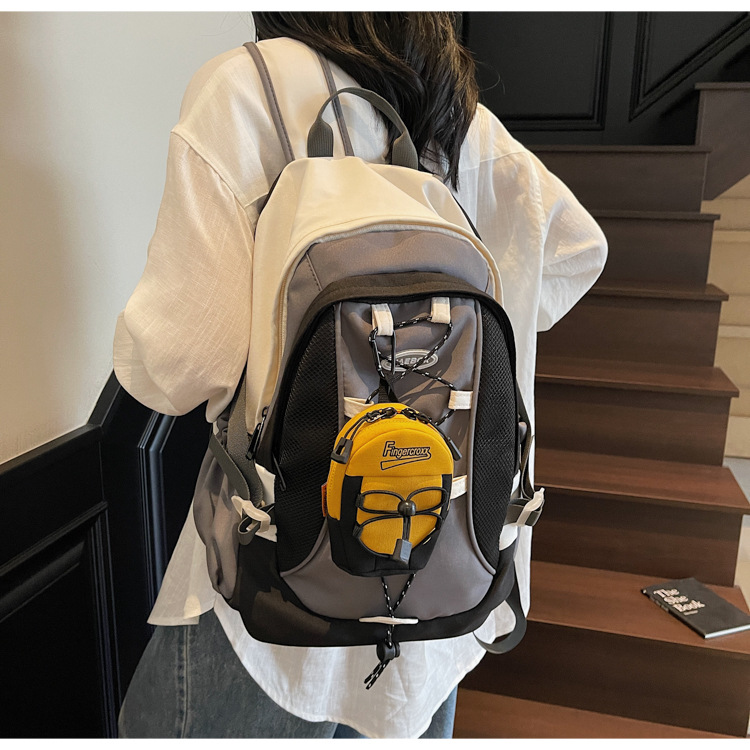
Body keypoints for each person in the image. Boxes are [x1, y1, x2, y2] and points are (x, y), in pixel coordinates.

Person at [113, 12, 607, 739]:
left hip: (278, 588)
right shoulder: (460, 115)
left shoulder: (247, 90)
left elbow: (174, 368)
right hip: (447, 577)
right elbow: (579, 252)